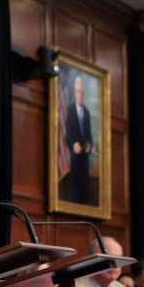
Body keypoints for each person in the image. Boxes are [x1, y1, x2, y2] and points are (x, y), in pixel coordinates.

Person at [64, 76, 93, 204]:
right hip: (74, 156)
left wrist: (89, 145)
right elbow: (67, 134)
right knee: (74, 186)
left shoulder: (86, 112)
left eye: (82, 92)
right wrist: (73, 144)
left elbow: (89, 136)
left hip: (84, 157)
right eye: (78, 91)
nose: (80, 95)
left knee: (84, 186)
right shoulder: (69, 110)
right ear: (75, 92)